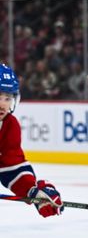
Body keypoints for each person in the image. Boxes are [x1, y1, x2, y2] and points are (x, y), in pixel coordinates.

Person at [0, 64, 62, 218]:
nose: (3, 104)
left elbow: (11, 168)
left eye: (8, 98)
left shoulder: (9, 125)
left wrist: (33, 191)